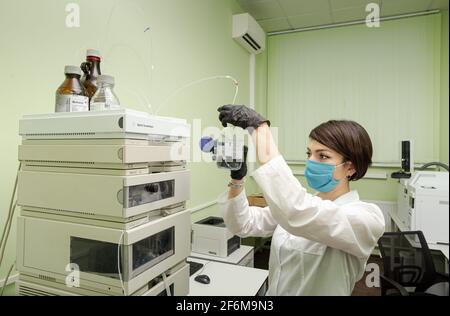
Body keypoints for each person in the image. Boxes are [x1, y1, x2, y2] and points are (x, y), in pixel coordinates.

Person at [216, 105, 385, 296]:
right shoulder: (303, 204)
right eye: (309, 154)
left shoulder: (366, 218)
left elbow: (296, 211)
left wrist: (259, 129)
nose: (310, 162)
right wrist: (237, 178)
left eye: (322, 156)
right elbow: (243, 224)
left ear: (350, 168)